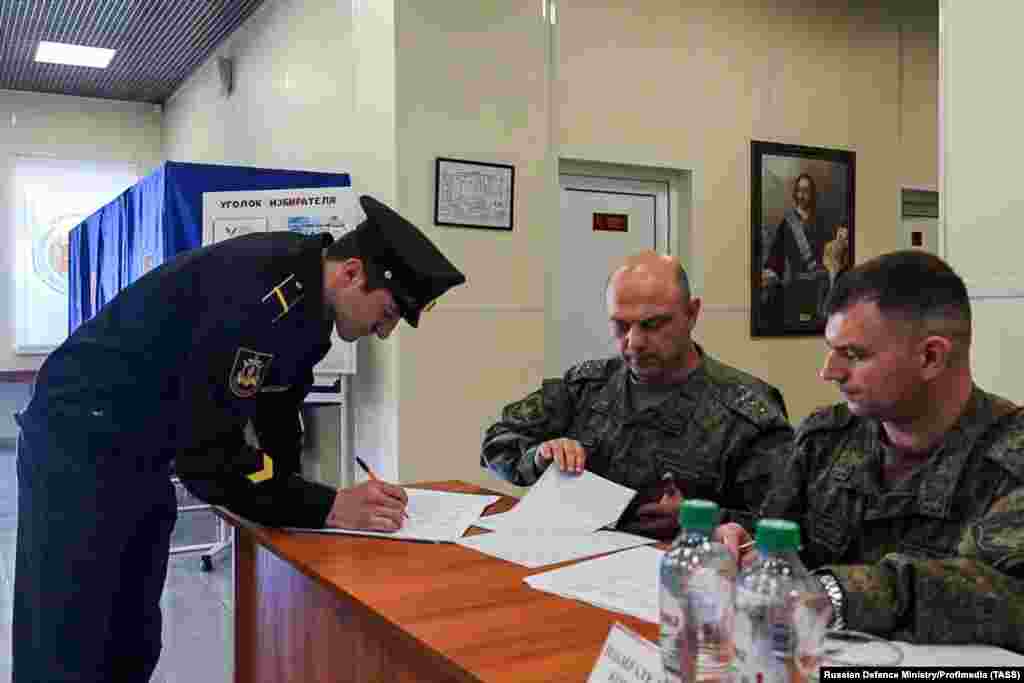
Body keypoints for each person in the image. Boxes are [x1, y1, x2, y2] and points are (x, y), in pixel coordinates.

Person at [12, 195, 466, 681]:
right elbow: (208, 458)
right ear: (352, 273)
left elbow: (277, 413)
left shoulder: (308, 306)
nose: (385, 332)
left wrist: (303, 503)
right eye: (390, 312)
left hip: (144, 445)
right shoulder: (258, 294)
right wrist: (324, 505)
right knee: (72, 639)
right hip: (81, 439)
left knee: (131, 635)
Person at [717, 250, 1024, 652]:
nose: (829, 372)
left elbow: (1002, 597)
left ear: (931, 357)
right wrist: (742, 542)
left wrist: (836, 595)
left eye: (854, 355)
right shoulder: (826, 436)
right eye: (831, 350)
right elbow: (777, 535)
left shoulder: (1011, 457)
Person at [481, 251, 793, 539]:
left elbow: (790, 525)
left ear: (692, 313)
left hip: (685, 579)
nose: (635, 342)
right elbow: (497, 442)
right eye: (620, 326)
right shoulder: (586, 386)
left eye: (653, 324)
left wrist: (703, 520)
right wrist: (539, 456)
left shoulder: (746, 412)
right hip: (572, 565)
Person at [761, 173, 833, 329]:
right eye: (799, 190)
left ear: (812, 194)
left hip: (820, 290)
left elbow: (831, 256)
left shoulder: (822, 221)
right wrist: (770, 272)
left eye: (806, 191)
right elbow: (776, 256)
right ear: (795, 193)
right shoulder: (787, 223)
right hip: (796, 290)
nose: (802, 195)